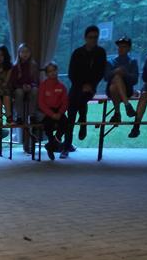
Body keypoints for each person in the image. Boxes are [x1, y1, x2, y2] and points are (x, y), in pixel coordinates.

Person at [64, 25, 107, 153]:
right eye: (90, 37)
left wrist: (91, 85)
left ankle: (67, 142)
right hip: (77, 86)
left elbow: (100, 72)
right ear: (85, 38)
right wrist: (81, 85)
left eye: (95, 37)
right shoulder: (77, 52)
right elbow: (71, 73)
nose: (93, 40)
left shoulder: (100, 53)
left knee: (74, 103)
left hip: (91, 87)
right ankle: (82, 118)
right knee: (73, 106)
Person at [38, 62, 68, 160]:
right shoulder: (43, 85)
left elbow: (65, 102)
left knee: (65, 123)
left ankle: (52, 144)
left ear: (57, 71)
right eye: (50, 71)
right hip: (47, 112)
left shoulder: (62, 86)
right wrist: (51, 114)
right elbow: (41, 103)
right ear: (46, 74)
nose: (52, 73)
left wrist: (59, 113)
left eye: (54, 70)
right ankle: (51, 143)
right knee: (48, 124)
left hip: (59, 111)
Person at [105, 36, 138, 123]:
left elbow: (135, 80)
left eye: (124, 46)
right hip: (111, 91)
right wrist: (115, 71)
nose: (121, 48)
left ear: (129, 49)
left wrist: (125, 74)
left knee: (114, 85)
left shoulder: (132, 61)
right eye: (119, 46)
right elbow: (106, 77)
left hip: (127, 91)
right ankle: (127, 105)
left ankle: (117, 114)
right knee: (116, 79)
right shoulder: (110, 62)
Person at [11, 43, 39, 123]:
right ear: (19, 54)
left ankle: (32, 115)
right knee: (19, 92)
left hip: (30, 88)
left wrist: (31, 86)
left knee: (35, 90)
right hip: (19, 88)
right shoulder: (15, 66)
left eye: (27, 52)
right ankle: (19, 116)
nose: (25, 54)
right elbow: (13, 82)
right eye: (22, 52)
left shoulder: (33, 65)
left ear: (30, 53)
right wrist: (21, 86)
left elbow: (36, 80)